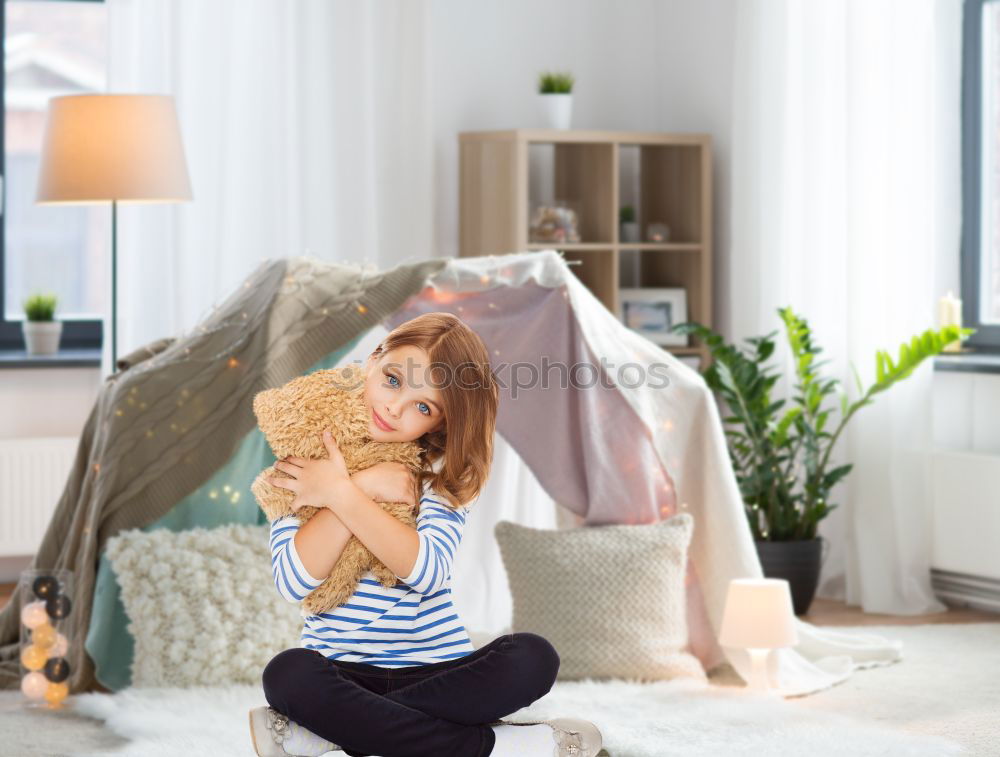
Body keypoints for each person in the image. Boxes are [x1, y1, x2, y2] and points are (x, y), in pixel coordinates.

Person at [248, 312, 603, 757]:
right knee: (287, 673)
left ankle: (331, 734)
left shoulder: (439, 477)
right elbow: (294, 582)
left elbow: (428, 572)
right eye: (393, 380)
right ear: (373, 360)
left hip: (438, 671)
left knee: (534, 658)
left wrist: (340, 493)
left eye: (423, 407)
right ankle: (494, 748)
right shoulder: (304, 458)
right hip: (339, 672)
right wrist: (355, 487)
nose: (394, 408)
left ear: (439, 422)